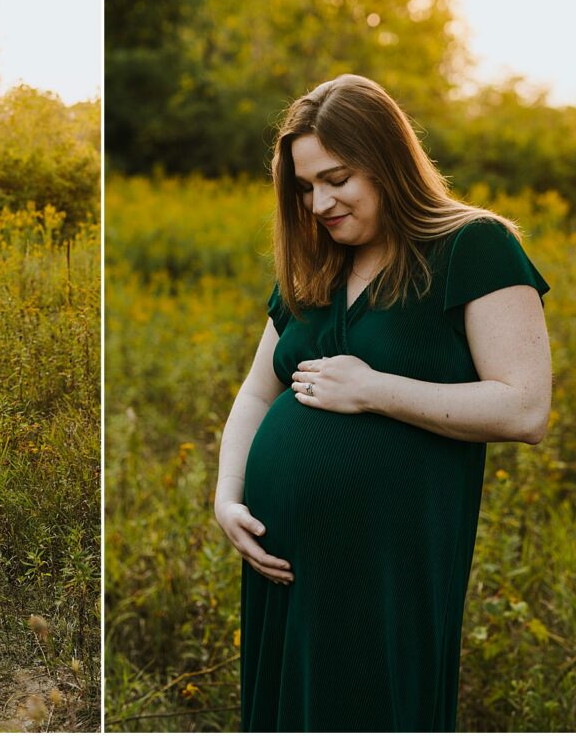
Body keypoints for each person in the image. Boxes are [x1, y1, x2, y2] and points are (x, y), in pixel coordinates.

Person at [214, 74, 552, 731]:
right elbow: (259, 390)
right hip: (281, 564)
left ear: (387, 161)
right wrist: (229, 496)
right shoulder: (316, 267)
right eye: (305, 187)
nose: (318, 203)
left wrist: (373, 389)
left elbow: (525, 407)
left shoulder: (473, 246)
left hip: (386, 566)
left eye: (336, 179)